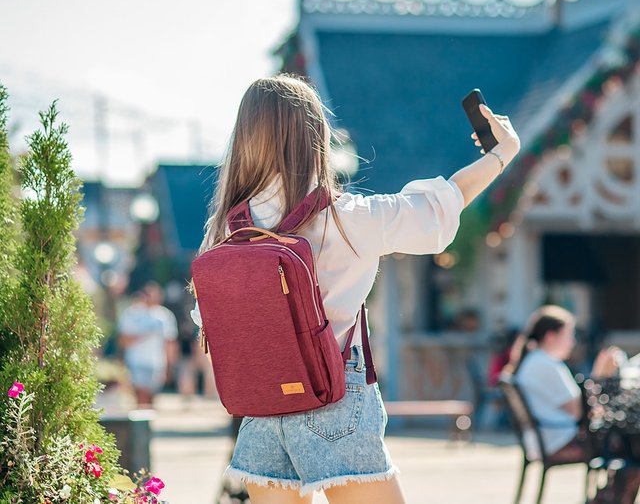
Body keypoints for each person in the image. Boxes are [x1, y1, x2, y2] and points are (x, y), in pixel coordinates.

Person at [190, 74, 520, 504]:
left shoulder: (226, 229)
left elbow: (209, 323)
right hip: (333, 397)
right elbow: (441, 206)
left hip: (262, 409)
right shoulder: (348, 218)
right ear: (314, 137)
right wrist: (501, 154)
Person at [506, 306, 638, 503]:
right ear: (551, 336)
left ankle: (605, 498)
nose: (572, 342)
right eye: (568, 335)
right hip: (560, 440)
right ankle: (607, 499)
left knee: (631, 445)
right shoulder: (546, 364)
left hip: (548, 438)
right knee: (634, 446)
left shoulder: (535, 361)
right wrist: (600, 375)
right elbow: (582, 412)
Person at [118, 282, 178, 407]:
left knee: (151, 395)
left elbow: (170, 342)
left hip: (156, 362)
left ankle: (147, 422)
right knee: (140, 394)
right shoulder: (131, 314)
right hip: (136, 361)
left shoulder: (165, 316)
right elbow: (122, 340)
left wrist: (170, 366)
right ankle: (141, 423)